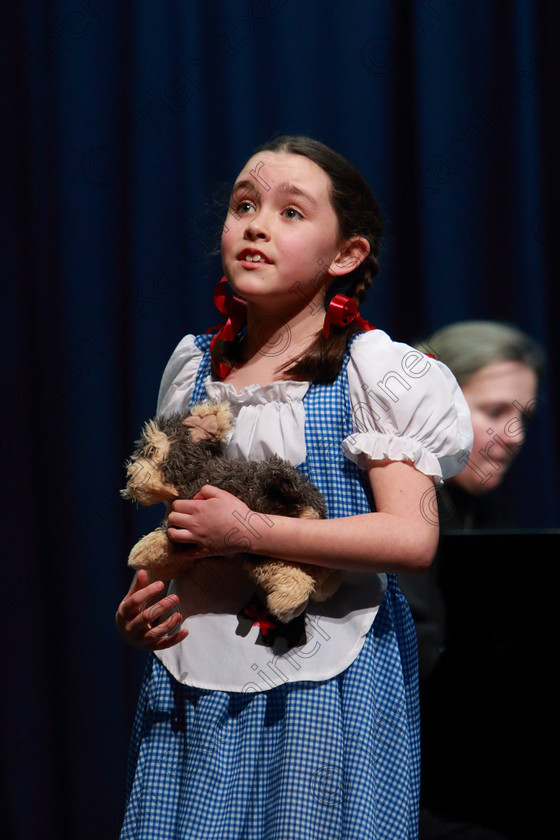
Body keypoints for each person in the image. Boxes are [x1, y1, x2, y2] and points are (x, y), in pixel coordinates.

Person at [115, 135, 472, 840]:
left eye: (290, 213)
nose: (255, 223)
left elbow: (411, 537)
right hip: (196, 674)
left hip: (322, 675)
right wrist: (145, 607)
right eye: (244, 205)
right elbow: (181, 525)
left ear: (346, 256)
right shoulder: (194, 369)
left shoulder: (375, 373)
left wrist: (251, 531)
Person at [399, 321, 545, 840]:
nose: (514, 438)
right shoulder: (395, 504)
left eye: (523, 418)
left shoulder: (473, 513)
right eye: (494, 412)